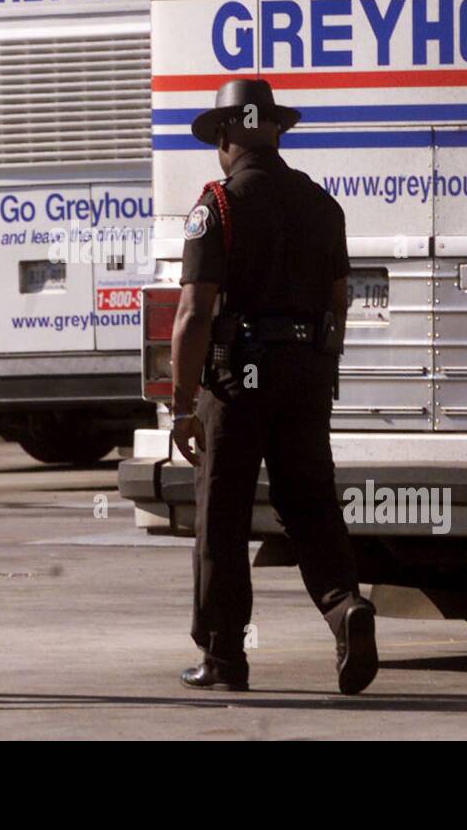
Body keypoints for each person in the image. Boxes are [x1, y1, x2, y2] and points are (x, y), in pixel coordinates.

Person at [169, 78, 378, 695]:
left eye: (219, 136)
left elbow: (193, 314)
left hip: (237, 382)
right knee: (312, 505)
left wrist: (182, 405)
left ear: (230, 135)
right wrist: (316, 366)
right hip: (307, 375)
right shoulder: (321, 204)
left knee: (223, 515)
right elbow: (340, 303)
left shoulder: (218, 205)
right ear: (276, 131)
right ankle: (346, 609)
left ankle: (224, 657)